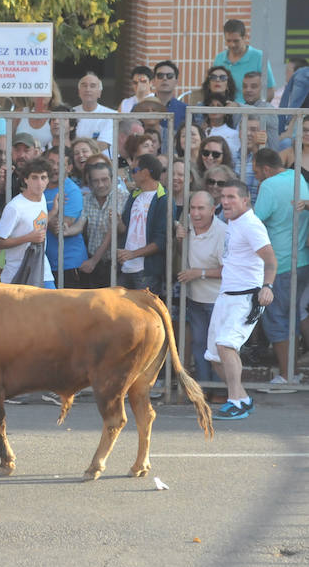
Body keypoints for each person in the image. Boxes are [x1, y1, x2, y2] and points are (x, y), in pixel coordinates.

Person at [206, 180, 276, 420]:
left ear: (245, 200)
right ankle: (243, 398)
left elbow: (270, 259)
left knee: (226, 345)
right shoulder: (233, 222)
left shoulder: (251, 225)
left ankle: (234, 400)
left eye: (231, 197)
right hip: (227, 296)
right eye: (223, 196)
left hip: (246, 298)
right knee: (215, 356)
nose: (225, 201)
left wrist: (267, 286)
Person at [252, 148, 309, 390]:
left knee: (277, 320)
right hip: (302, 260)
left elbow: (254, 220)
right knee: (294, 318)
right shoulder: (298, 177)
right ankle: (291, 372)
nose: (256, 178)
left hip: (281, 264)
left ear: (265, 169)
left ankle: (288, 376)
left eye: (256, 173)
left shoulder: (269, 185)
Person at [175, 190, 226, 385]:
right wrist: (180, 239)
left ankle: (221, 390)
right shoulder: (187, 223)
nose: (195, 213)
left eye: (200, 209)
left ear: (213, 210)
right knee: (198, 345)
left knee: (217, 347)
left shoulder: (222, 232)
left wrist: (199, 273)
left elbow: (228, 270)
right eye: (192, 208)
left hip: (217, 300)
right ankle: (204, 388)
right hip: (195, 298)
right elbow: (183, 254)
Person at [0, 157, 54, 286]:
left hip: (41, 269)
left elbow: (37, 223)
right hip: (17, 274)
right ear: (26, 179)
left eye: (43, 178)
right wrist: (28, 238)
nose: (39, 183)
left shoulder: (42, 198)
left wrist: (54, 212)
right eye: (34, 177)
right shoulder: (15, 207)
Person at [118, 154, 169, 292]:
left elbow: (162, 240)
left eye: (134, 171)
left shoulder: (164, 199)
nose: (131, 175)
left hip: (146, 272)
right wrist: (116, 221)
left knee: (145, 313)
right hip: (125, 267)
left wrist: (133, 254)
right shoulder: (134, 194)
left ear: (145, 173)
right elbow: (124, 229)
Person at [80, 160, 129, 288]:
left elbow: (116, 230)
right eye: (96, 181)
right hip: (92, 262)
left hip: (114, 263)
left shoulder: (121, 196)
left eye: (104, 179)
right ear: (90, 183)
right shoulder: (86, 200)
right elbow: (80, 226)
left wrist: (93, 261)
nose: (101, 185)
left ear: (112, 179)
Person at [43, 147, 87, 287]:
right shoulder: (40, 187)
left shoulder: (71, 191)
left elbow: (59, 228)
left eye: (60, 164)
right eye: (51, 162)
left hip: (68, 264)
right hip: (46, 264)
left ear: (69, 168)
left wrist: (39, 214)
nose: (55, 168)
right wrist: (53, 213)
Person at [213, 18, 276, 104]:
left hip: (248, 113)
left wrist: (253, 112)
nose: (232, 44)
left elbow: (270, 91)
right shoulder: (219, 59)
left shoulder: (259, 57)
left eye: (236, 41)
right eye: (228, 41)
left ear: (245, 37)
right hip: (224, 112)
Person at [73, 73, 116, 153]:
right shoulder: (70, 113)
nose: (88, 89)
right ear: (79, 92)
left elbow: (103, 144)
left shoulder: (111, 115)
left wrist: (80, 152)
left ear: (99, 93)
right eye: (84, 86)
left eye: (92, 86)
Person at [152, 60, 187, 131]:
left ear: (176, 81)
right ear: (153, 81)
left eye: (169, 76)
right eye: (160, 75)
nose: (165, 78)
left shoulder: (186, 110)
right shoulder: (141, 107)